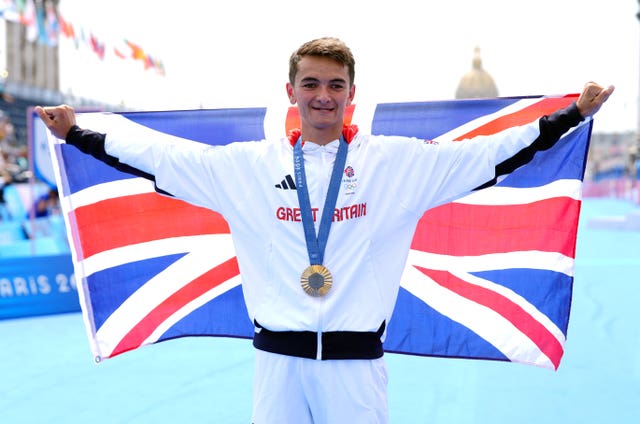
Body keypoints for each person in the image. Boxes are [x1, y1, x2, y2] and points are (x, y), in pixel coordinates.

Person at [36, 37, 614, 424]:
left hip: (355, 369)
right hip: (276, 365)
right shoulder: (248, 168)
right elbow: (161, 156)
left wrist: (570, 116)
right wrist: (78, 132)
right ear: (291, 92)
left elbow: (487, 155)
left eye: (335, 85)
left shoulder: (396, 165)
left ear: (350, 94)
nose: (322, 96)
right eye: (311, 84)